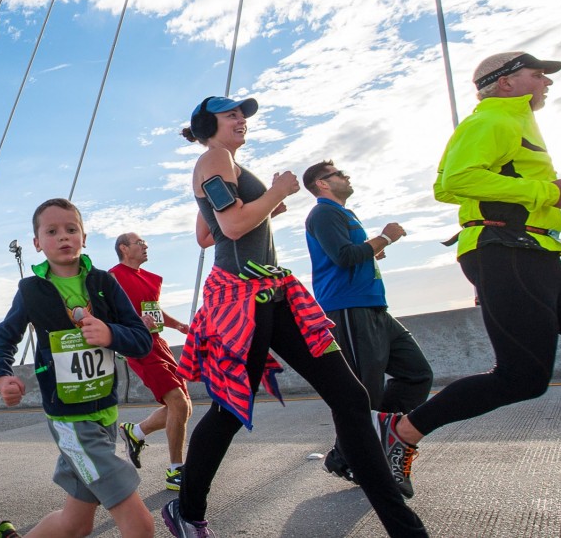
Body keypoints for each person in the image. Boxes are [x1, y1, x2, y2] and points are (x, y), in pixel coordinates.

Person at [165, 96, 426, 538]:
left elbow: (205, 233)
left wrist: (265, 206)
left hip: (273, 293)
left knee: (350, 396)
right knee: (229, 410)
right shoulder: (214, 157)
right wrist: (277, 192)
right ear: (210, 123)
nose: (240, 120)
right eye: (231, 115)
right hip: (242, 300)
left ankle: (405, 529)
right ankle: (186, 511)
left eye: (243, 115)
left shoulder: (224, 164)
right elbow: (228, 228)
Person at [377, 52, 561, 498]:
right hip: (505, 252)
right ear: (508, 82)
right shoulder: (493, 119)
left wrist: (544, 196)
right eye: (538, 74)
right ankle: (403, 430)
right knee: (522, 378)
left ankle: (400, 430)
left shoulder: (518, 122)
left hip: (537, 252)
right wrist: (547, 190)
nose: (547, 82)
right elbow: (452, 181)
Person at [0, 198, 154, 538]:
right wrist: (2, 375)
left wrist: (110, 334)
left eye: (71, 229)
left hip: (107, 415)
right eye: (52, 231)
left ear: (84, 236)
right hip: (70, 421)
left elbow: (141, 339)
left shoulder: (104, 283)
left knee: (75, 524)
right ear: (37, 243)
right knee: (138, 520)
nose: (63, 237)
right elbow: (5, 338)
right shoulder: (32, 290)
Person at [302, 161, 433, 490]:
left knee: (417, 374)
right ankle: (359, 460)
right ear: (322, 183)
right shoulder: (323, 213)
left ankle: (357, 444)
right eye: (338, 173)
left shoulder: (344, 214)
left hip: (373, 306)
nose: (346, 175)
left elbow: (353, 255)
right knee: (364, 393)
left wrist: (374, 249)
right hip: (348, 308)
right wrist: (385, 237)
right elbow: (344, 257)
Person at [109, 232, 192, 491]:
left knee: (184, 407)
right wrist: (133, 325)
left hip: (159, 344)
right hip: (139, 346)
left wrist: (177, 324)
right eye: (139, 243)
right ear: (124, 248)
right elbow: (107, 312)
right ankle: (176, 471)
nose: (145, 246)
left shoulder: (148, 278)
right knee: (177, 401)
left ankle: (136, 432)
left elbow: (152, 308)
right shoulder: (113, 277)